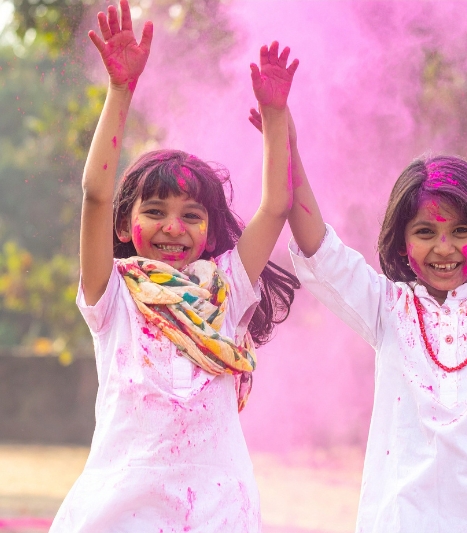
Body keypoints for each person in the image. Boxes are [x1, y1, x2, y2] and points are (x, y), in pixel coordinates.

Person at [252, 39, 467, 532]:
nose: (444, 247)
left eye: (460, 231)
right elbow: (318, 248)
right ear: (400, 245)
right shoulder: (385, 308)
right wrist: (283, 142)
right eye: (426, 232)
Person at [50, 2, 299, 530]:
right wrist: (120, 92)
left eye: (191, 215)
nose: (173, 227)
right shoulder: (112, 296)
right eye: (155, 211)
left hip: (217, 511)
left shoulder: (226, 291)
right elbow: (96, 194)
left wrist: (276, 118)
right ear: (124, 227)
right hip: (122, 512)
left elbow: (275, 208)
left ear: (208, 231)